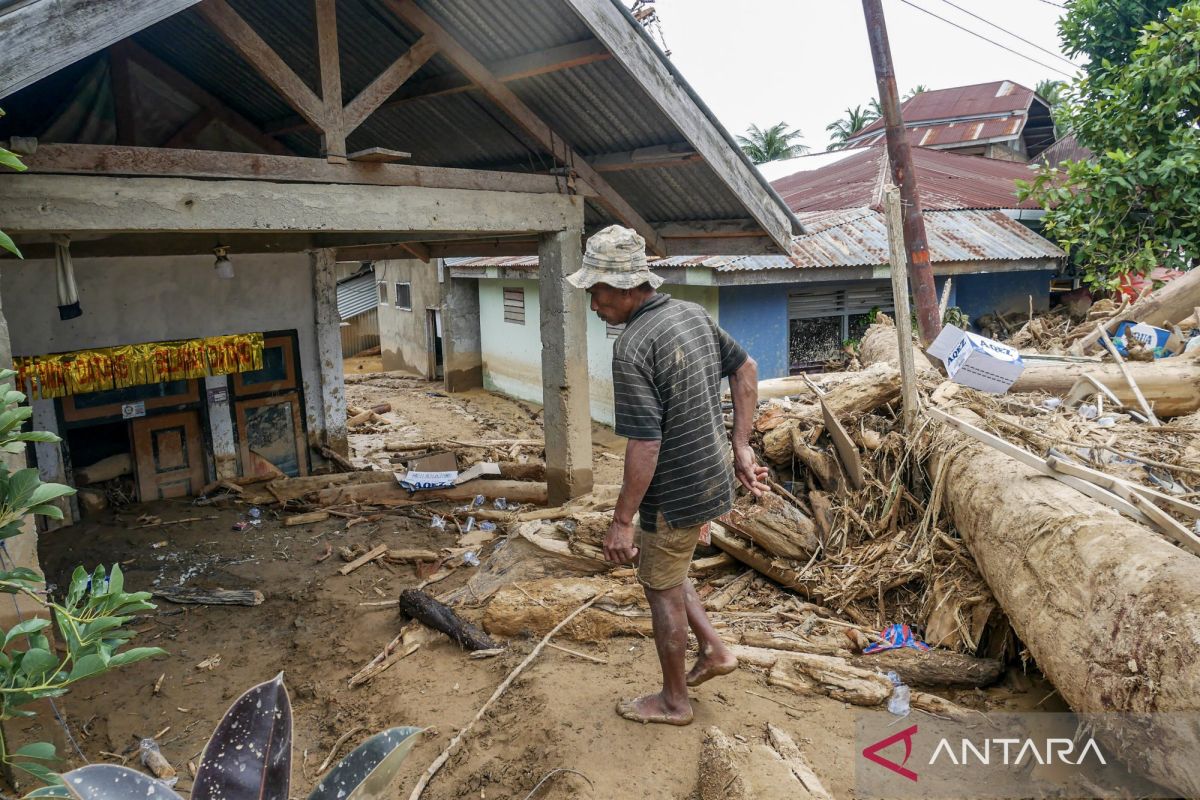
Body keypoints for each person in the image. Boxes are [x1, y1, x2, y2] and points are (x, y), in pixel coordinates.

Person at [566, 225, 770, 726]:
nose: (594, 305)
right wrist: (739, 447)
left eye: (596, 292)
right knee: (671, 569)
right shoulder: (692, 315)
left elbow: (646, 444)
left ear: (626, 285)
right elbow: (747, 369)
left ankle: (675, 702)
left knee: (660, 589)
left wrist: (621, 521)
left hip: (673, 493)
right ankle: (717, 651)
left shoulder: (633, 346)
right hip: (711, 479)